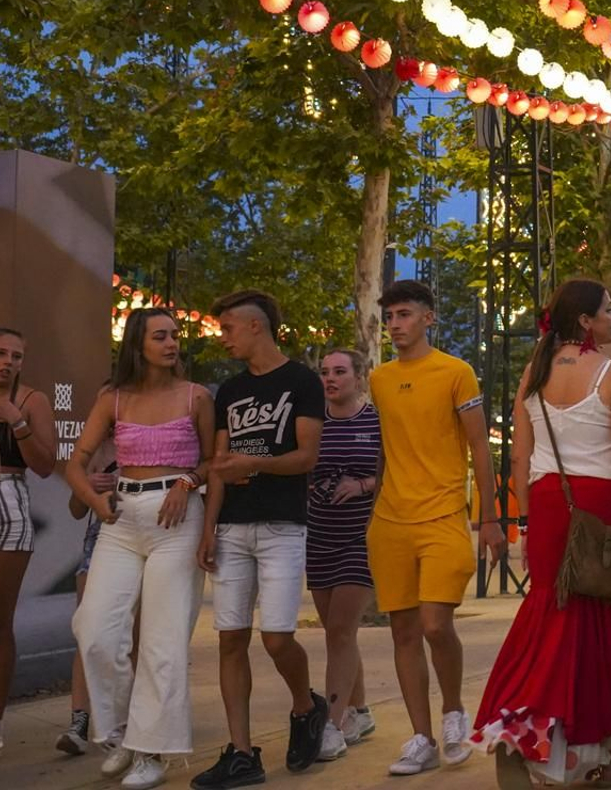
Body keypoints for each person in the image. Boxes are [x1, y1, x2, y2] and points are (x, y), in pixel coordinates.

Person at [472, 278, 611, 787]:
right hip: (602, 504)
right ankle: (597, 753)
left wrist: (524, 521)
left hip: (547, 503)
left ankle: (522, 729)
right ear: (585, 321)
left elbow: (520, 456)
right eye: (608, 309)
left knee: (549, 619)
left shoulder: (535, 371)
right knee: (607, 624)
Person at [67, 308, 214, 790]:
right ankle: (125, 733)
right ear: (138, 344)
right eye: (160, 336)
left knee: (162, 640)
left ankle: (152, 751)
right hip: (121, 517)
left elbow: (214, 460)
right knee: (94, 629)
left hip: (177, 517)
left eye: (174, 335)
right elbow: (76, 463)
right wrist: (95, 501)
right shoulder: (112, 398)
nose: (172, 343)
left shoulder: (196, 397)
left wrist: (188, 482)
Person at [367, 280, 506, 777]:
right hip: (390, 522)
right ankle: (421, 738)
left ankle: (453, 713)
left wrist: (489, 517)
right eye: (389, 317)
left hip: (444, 515)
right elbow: (386, 449)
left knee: (434, 625)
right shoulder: (379, 378)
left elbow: (480, 448)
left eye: (404, 314)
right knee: (403, 631)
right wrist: (371, 505)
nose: (395, 325)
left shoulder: (455, 372)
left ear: (429, 318)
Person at [194, 291, 328, 789]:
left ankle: (305, 705)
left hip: (282, 526)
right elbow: (219, 465)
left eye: (228, 328)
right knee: (230, 637)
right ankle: (242, 753)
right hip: (232, 526)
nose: (223, 338)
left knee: (276, 637)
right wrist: (209, 527)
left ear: (255, 326)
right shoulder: (229, 391)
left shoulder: (302, 382)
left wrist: (255, 462)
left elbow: (307, 457)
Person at [0, 328, 58, 765]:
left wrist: (16, 422)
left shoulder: (31, 400)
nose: (8, 362)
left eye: (16, 356)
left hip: (6, 506)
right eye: (0, 353)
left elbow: (45, 465)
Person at [308, 348, 381, 758]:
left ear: (359, 376)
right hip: (318, 535)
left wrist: (363, 485)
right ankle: (361, 711)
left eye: (339, 372)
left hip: (361, 537)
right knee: (338, 634)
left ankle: (332, 726)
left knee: (340, 630)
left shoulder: (375, 421)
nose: (330, 379)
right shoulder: (311, 421)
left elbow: (395, 470)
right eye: (324, 372)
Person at [56, 452, 123, 756]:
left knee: (133, 635)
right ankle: (79, 722)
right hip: (99, 537)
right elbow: (75, 510)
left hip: (141, 533)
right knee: (86, 629)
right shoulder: (95, 450)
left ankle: (128, 721)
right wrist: (88, 488)